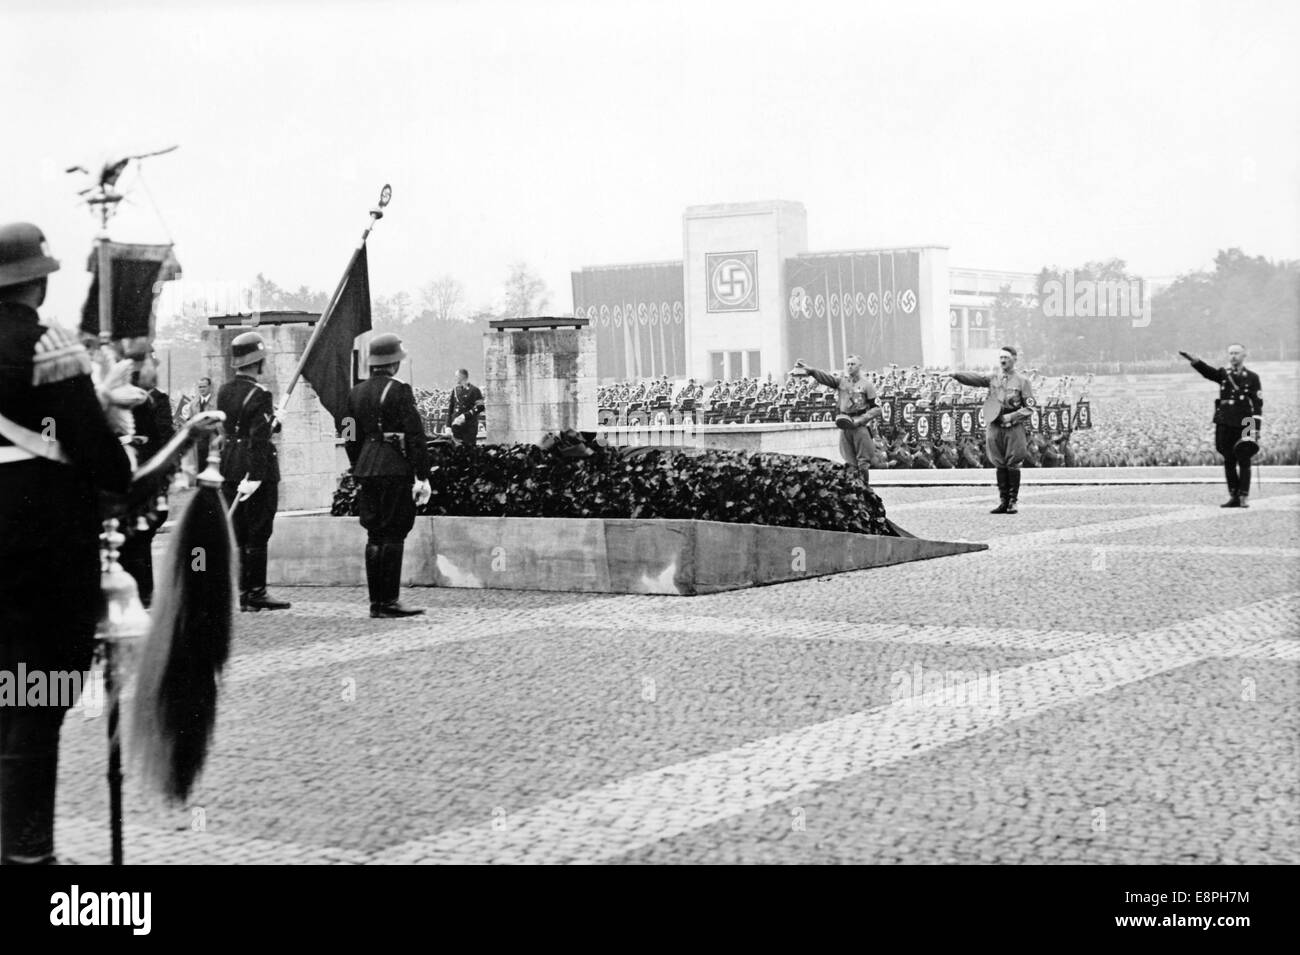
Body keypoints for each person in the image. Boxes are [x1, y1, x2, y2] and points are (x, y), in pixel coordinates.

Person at [0, 221, 134, 864]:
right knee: (38, 692)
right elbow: (101, 459)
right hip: (43, 552)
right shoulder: (49, 345)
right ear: (40, 279)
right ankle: (27, 854)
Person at [344, 333, 431, 618]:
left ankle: (376, 602)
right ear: (393, 363)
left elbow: (348, 433)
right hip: (394, 465)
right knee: (394, 532)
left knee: (374, 534)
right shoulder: (400, 391)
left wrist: (358, 464)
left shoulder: (355, 392)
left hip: (366, 465)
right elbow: (416, 436)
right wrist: (422, 475)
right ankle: (390, 601)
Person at [217, 331, 290, 611]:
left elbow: (239, 426)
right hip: (254, 467)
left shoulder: (224, 390)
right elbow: (259, 438)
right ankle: (256, 592)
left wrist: (275, 422)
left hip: (231, 463)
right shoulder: (260, 394)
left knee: (240, 532)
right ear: (257, 361)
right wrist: (257, 476)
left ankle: (244, 592)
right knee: (258, 532)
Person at [116, 345, 175, 606]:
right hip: (126, 473)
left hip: (148, 474)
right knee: (133, 535)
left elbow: (164, 440)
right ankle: (139, 590)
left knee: (142, 534)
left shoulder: (157, 400)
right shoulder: (119, 398)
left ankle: (144, 590)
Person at [949, 346, 1036, 513]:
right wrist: (957, 375)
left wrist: (1011, 417)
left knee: (1013, 463)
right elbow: (976, 379)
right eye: (1001, 358)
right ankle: (1003, 501)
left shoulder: (1022, 381)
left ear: (1014, 359)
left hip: (1013, 427)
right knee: (999, 463)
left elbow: (1030, 408)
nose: (1003, 361)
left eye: (1007, 358)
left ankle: (1013, 501)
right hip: (995, 425)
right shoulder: (994, 379)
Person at [1180, 344, 1263, 508]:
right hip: (1224, 421)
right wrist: (1195, 361)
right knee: (1228, 459)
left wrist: (1256, 428)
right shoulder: (1224, 374)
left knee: (1244, 459)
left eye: (1237, 353)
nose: (1233, 356)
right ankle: (1234, 495)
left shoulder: (1253, 377)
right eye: (1231, 353)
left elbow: (1257, 404)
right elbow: (1208, 373)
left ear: (1244, 355)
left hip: (1245, 422)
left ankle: (1244, 496)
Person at [790, 354, 882, 481]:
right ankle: (854, 490)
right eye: (848, 364)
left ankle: (866, 489)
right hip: (845, 424)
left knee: (863, 463)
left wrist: (862, 419)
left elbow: (877, 408)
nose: (850, 367)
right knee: (849, 462)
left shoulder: (867, 385)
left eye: (853, 364)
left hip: (859, 425)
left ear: (860, 366)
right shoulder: (841, 382)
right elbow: (826, 378)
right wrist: (811, 371)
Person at [446, 368, 484, 446]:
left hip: (469, 428)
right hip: (456, 427)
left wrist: (465, 416)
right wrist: (448, 426)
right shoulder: (455, 390)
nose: (455, 378)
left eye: (456, 376)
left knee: (469, 450)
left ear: (462, 376)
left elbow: (480, 407)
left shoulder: (474, 390)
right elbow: (451, 409)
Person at [185, 375, 215, 475]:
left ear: (210, 387)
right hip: (199, 440)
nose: (201, 389)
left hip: (213, 439)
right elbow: (190, 420)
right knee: (199, 465)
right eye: (200, 387)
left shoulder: (216, 403)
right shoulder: (193, 404)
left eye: (204, 386)